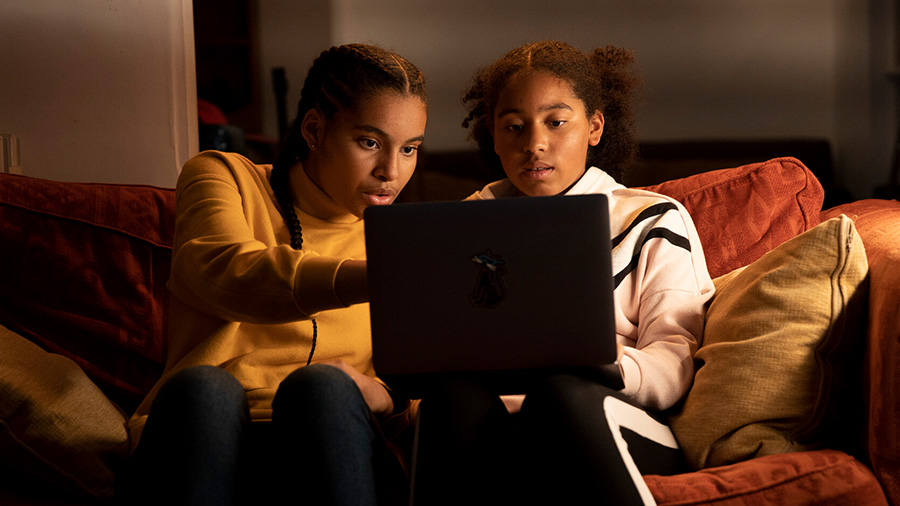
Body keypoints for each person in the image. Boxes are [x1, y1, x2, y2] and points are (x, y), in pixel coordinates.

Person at [411, 41, 715, 505]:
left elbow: (674, 358)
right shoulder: (467, 224)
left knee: (561, 396)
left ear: (594, 126)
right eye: (514, 126)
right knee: (448, 401)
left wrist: (605, 366)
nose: (534, 143)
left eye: (556, 122)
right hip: (506, 411)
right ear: (493, 136)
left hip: (611, 413)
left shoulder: (653, 219)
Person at [123, 43, 427, 506]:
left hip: (332, 433)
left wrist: (388, 399)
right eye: (369, 142)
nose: (391, 170)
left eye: (408, 149)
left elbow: (422, 388)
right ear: (314, 129)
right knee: (206, 388)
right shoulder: (223, 175)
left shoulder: (408, 240)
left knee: (324, 386)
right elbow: (219, 268)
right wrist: (369, 278)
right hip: (208, 429)